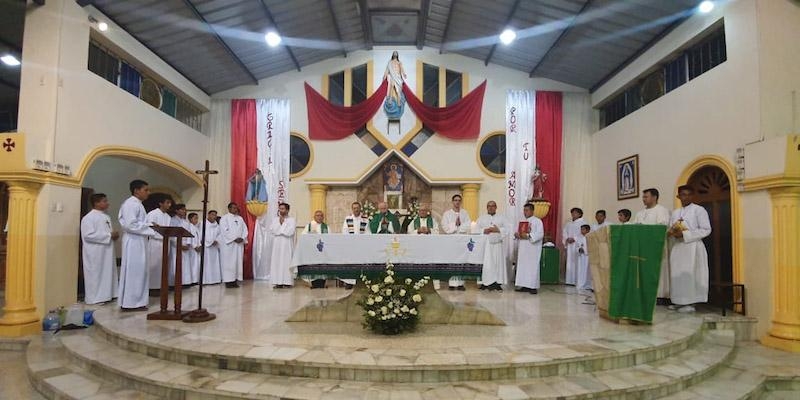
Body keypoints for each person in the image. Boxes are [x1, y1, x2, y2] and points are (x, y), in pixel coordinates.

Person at [668, 185, 711, 313]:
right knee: (677, 274)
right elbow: (671, 227)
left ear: (692, 196)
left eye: (688, 194)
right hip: (678, 246)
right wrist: (672, 233)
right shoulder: (675, 212)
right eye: (683, 195)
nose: (686, 197)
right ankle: (678, 301)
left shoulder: (699, 210)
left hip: (693, 247)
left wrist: (685, 234)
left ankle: (691, 303)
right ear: (679, 196)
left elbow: (706, 229)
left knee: (690, 274)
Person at [117, 180, 156, 311]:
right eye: (146, 190)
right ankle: (131, 303)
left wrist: (149, 226)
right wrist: (150, 227)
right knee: (134, 271)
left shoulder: (138, 204)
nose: (148, 192)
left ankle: (136, 301)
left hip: (139, 239)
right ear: (136, 190)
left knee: (139, 271)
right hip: (133, 241)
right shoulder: (131, 204)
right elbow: (131, 225)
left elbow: (138, 223)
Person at [633, 188, 672, 304]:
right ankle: (646, 294)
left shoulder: (662, 210)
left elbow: (662, 227)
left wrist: (643, 226)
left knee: (658, 271)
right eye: (643, 197)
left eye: (646, 197)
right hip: (643, 247)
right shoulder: (640, 213)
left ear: (654, 197)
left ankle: (660, 296)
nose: (643, 199)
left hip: (656, 247)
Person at [80, 193, 119, 305]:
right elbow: (88, 235)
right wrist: (109, 235)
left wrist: (113, 236)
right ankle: (95, 298)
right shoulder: (88, 218)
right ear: (96, 203)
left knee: (107, 272)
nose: (107, 203)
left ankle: (108, 295)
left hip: (107, 251)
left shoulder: (106, 217)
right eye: (104, 201)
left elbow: (108, 233)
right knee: (96, 274)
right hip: (95, 252)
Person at [476, 201, 509, 291]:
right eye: (489, 206)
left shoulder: (502, 217)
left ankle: (497, 283)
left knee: (497, 264)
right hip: (486, 247)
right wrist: (484, 230)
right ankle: (485, 283)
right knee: (486, 265)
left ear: (496, 207)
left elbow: (507, 228)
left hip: (497, 245)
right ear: (487, 207)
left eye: (493, 206)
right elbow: (476, 228)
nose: (491, 208)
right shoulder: (481, 218)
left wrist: (498, 229)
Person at [441, 194, 471, 290]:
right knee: (452, 262)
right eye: (455, 200)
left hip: (462, 241)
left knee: (462, 262)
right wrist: (455, 225)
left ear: (461, 202)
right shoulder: (447, 214)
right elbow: (444, 226)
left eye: (459, 200)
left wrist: (459, 226)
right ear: (452, 202)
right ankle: (452, 284)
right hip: (452, 241)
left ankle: (461, 284)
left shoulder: (465, 213)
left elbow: (468, 225)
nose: (457, 202)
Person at [514, 203, 544, 294]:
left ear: (532, 211)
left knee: (532, 267)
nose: (525, 212)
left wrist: (528, 236)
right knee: (523, 266)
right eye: (524, 210)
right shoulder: (522, 222)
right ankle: (523, 285)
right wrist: (517, 235)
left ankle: (533, 287)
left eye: (527, 210)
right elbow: (518, 233)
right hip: (523, 247)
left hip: (533, 248)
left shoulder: (537, 221)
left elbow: (540, 234)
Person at [146, 194, 174, 291]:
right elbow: (148, 227)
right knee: (154, 265)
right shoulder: (152, 214)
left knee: (164, 266)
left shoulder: (168, 217)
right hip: (155, 243)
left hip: (166, 242)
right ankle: (152, 287)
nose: (169, 205)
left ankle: (162, 286)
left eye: (170, 203)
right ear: (160, 203)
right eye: (167, 203)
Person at [341, 202, 370, 288]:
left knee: (361, 263)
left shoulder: (365, 220)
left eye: (357, 208)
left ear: (360, 208)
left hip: (362, 246)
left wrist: (362, 241)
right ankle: (349, 283)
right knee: (350, 264)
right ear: (352, 209)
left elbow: (368, 232)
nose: (356, 209)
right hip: (351, 246)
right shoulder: (348, 219)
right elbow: (345, 231)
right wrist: (351, 241)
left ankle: (361, 281)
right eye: (354, 208)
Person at [219, 202, 248, 288]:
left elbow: (245, 229)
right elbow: (224, 231)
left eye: (236, 208)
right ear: (229, 208)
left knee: (237, 263)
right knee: (229, 262)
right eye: (233, 208)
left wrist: (242, 238)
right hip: (229, 245)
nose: (235, 209)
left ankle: (235, 280)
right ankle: (228, 281)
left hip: (238, 245)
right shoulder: (224, 218)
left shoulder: (240, 218)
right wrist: (234, 238)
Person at [270, 203, 296, 289]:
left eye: (283, 209)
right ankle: (278, 282)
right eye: (280, 209)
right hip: (277, 244)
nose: (281, 210)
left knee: (287, 261)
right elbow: (273, 230)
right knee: (277, 261)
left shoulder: (292, 220)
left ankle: (287, 282)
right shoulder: (275, 219)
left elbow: (290, 232)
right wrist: (281, 225)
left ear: (287, 210)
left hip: (287, 244)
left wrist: (282, 225)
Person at [302, 210, 328, 288]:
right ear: (314, 217)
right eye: (317, 215)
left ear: (323, 217)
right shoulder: (309, 226)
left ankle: (322, 283)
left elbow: (330, 238)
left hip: (323, 251)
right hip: (312, 251)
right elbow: (303, 236)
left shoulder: (326, 227)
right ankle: (313, 283)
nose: (319, 217)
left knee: (322, 267)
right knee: (313, 266)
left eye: (321, 215)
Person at [172, 204, 197, 287]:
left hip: (186, 245)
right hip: (176, 246)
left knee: (185, 265)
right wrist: (179, 245)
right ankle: (176, 283)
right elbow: (172, 235)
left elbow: (189, 233)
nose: (184, 211)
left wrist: (188, 243)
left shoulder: (186, 222)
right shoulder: (173, 220)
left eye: (185, 209)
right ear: (177, 210)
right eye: (182, 209)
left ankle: (185, 282)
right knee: (176, 264)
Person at [562, 207, 585, 286]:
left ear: (580, 214)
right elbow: (564, 232)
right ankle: (570, 280)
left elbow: (583, 234)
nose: (573, 214)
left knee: (577, 263)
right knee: (570, 262)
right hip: (570, 245)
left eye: (575, 213)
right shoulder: (568, 224)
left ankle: (577, 281)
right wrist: (567, 239)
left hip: (577, 245)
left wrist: (574, 238)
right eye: (572, 213)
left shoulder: (583, 223)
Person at [383, 50, 407, 119]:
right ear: (393, 55)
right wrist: (385, 75)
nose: (395, 54)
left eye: (396, 53)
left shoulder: (399, 62)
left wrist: (404, 74)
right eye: (394, 53)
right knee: (391, 86)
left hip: (398, 77)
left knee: (398, 91)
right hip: (393, 77)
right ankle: (390, 99)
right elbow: (387, 70)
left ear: (397, 55)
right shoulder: (390, 62)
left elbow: (402, 69)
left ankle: (399, 102)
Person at [201, 210, 222, 284]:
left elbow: (220, 235)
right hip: (206, 247)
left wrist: (216, 240)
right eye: (212, 215)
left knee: (214, 263)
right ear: (208, 215)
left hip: (214, 247)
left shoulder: (217, 226)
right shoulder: (202, 224)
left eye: (215, 215)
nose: (214, 216)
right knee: (206, 264)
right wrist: (210, 241)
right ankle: (206, 280)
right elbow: (201, 234)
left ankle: (215, 280)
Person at [576, 224, 592, 291]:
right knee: (580, 271)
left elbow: (591, 247)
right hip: (581, 257)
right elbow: (577, 246)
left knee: (587, 271)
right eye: (581, 229)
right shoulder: (579, 238)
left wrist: (585, 250)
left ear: (588, 230)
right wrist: (579, 249)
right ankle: (580, 284)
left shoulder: (590, 237)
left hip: (587, 257)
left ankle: (587, 285)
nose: (582, 231)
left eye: (583, 229)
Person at [187, 212, 201, 285]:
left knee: (197, 264)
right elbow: (190, 238)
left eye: (197, 218)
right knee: (193, 265)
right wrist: (195, 246)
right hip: (193, 249)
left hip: (198, 248)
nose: (196, 220)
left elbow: (199, 237)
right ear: (190, 219)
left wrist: (200, 245)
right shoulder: (189, 227)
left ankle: (196, 279)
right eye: (195, 218)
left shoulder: (196, 227)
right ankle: (193, 280)